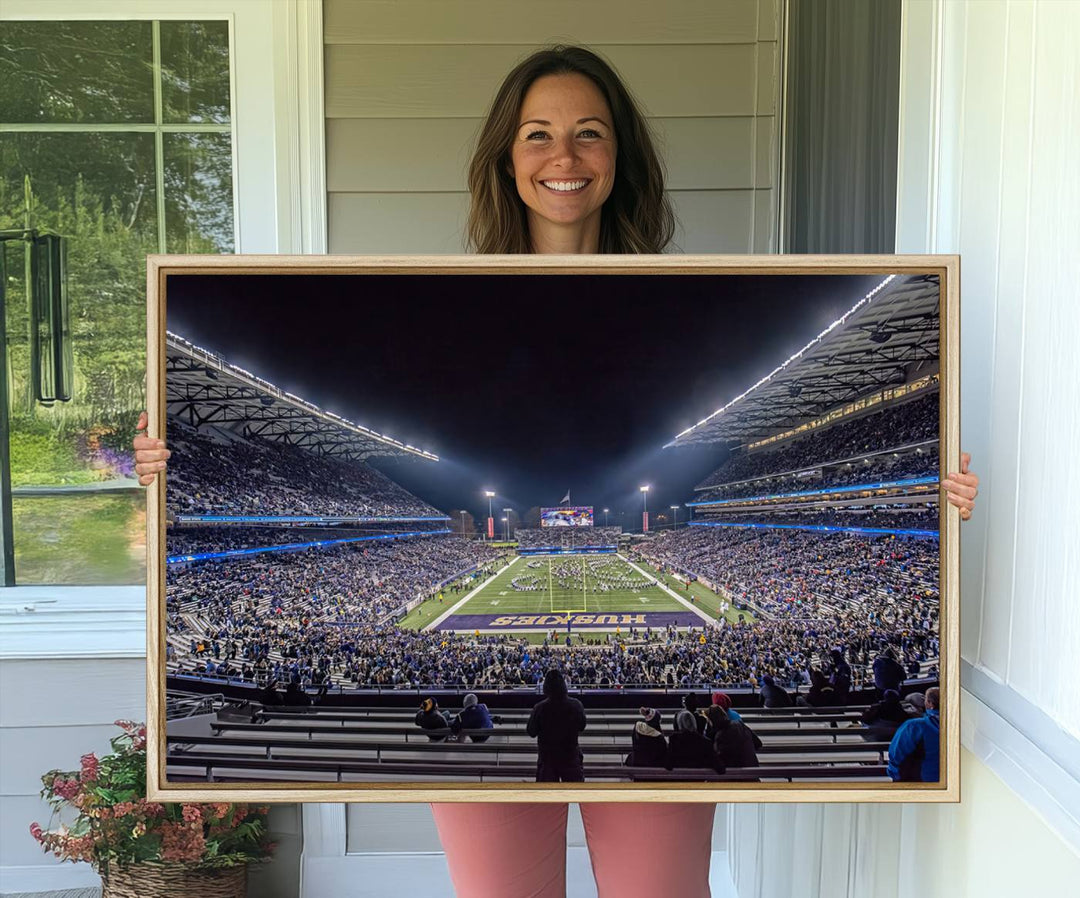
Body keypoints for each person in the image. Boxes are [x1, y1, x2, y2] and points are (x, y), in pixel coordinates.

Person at [136, 43, 980, 898]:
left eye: (590, 133)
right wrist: (169, 465)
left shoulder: (680, 301)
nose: (563, 156)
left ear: (621, 157)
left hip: (644, 731)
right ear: (506, 157)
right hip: (500, 730)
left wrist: (936, 499)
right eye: (537, 134)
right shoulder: (444, 304)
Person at [525, 668, 586, 782]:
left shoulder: (540, 708)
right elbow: (582, 726)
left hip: (547, 759)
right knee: (574, 794)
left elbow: (531, 731)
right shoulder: (576, 705)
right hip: (570, 757)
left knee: (548, 796)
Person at [887, 686, 941, 782]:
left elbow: (896, 755)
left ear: (930, 703)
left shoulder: (914, 726)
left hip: (924, 781)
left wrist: (896, 776)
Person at [665, 710, 725, 774]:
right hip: (700, 780)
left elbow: (668, 765)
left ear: (679, 723)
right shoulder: (706, 742)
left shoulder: (674, 740)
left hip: (679, 779)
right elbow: (720, 769)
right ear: (694, 722)